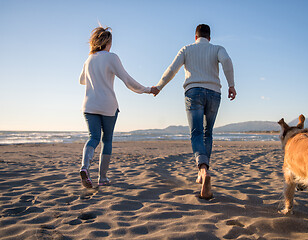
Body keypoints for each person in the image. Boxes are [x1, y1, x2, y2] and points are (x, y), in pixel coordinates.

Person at [152, 24, 236, 199]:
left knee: (196, 133)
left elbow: (172, 69)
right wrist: (231, 85)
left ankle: (203, 171)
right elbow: (227, 61)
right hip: (214, 93)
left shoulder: (187, 49)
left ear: (195, 37)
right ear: (209, 38)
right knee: (208, 133)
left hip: (193, 92)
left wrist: (159, 86)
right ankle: (202, 172)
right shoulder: (217, 48)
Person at [79, 26, 157, 188]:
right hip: (108, 105)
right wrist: (147, 90)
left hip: (89, 105)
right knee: (107, 140)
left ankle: (85, 167)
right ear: (107, 42)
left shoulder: (89, 60)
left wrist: (95, 76)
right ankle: (102, 178)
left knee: (93, 138)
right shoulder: (112, 58)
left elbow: (81, 80)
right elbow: (128, 81)